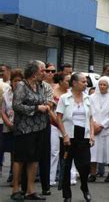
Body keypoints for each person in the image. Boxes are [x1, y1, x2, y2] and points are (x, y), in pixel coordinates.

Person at [11, 61, 50, 201]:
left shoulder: (39, 86)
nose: (45, 73)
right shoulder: (22, 85)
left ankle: (30, 190)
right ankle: (16, 189)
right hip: (24, 129)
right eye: (43, 70)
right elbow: (16, 105)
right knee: (20, 159)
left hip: (39, 128)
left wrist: (46, 105)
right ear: (34, 72)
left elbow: (42, 100)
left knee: (34, 159)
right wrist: (36, 109)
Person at [55, 72, 94, 202]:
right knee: (66, 166)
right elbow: (58, 118)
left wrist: (92, 135)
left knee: (85, 165)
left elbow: (90, 118)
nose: (86, 84)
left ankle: (84, 187)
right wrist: (64, 135)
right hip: (68, 136)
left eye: (86, 82)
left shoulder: (88, 98)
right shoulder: (64, 98)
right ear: (74, 83)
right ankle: (67, 195)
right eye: (83, 81)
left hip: (83, 135)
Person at [89, 76, 109, 183]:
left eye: (104, 85)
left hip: (107, 128)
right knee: (93, 150)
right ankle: (93, 173)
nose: (102, 86)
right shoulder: (92, 97)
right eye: (100, 84)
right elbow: (90, 112)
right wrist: (94, 125)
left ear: (108, 86)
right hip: (94, 127)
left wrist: (101, 125)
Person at [1, 69, 23, 183]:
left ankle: (16, 177)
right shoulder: (6, 93)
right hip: (8, 126)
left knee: (17, 154)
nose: (17, 83)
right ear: (11, 81)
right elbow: (2, 110)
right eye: (15, 80)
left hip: (21, 127)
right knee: (8, 150)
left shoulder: (25, 93)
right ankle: (11, 174)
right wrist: (8, 123)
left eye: (20, 80)